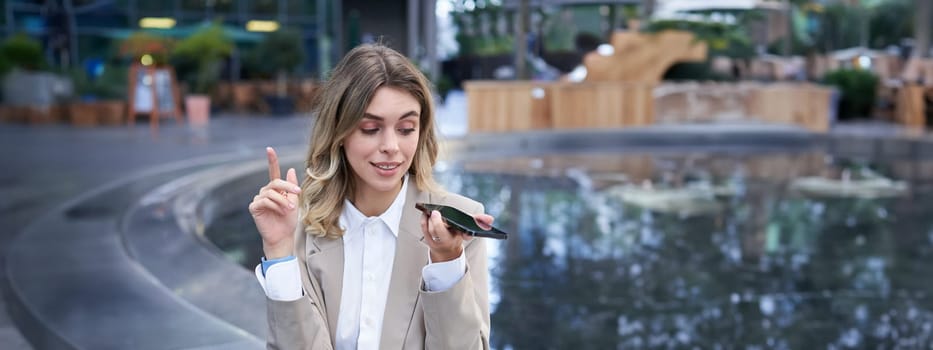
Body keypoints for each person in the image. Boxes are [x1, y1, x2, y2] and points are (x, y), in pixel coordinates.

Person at [248, 43, 494, 350]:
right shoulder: (299, 228)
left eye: (406, 128)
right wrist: (279, 250)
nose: (391, 145)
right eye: (370, 128)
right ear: (339, 132)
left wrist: (446, 261)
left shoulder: (459, 226)